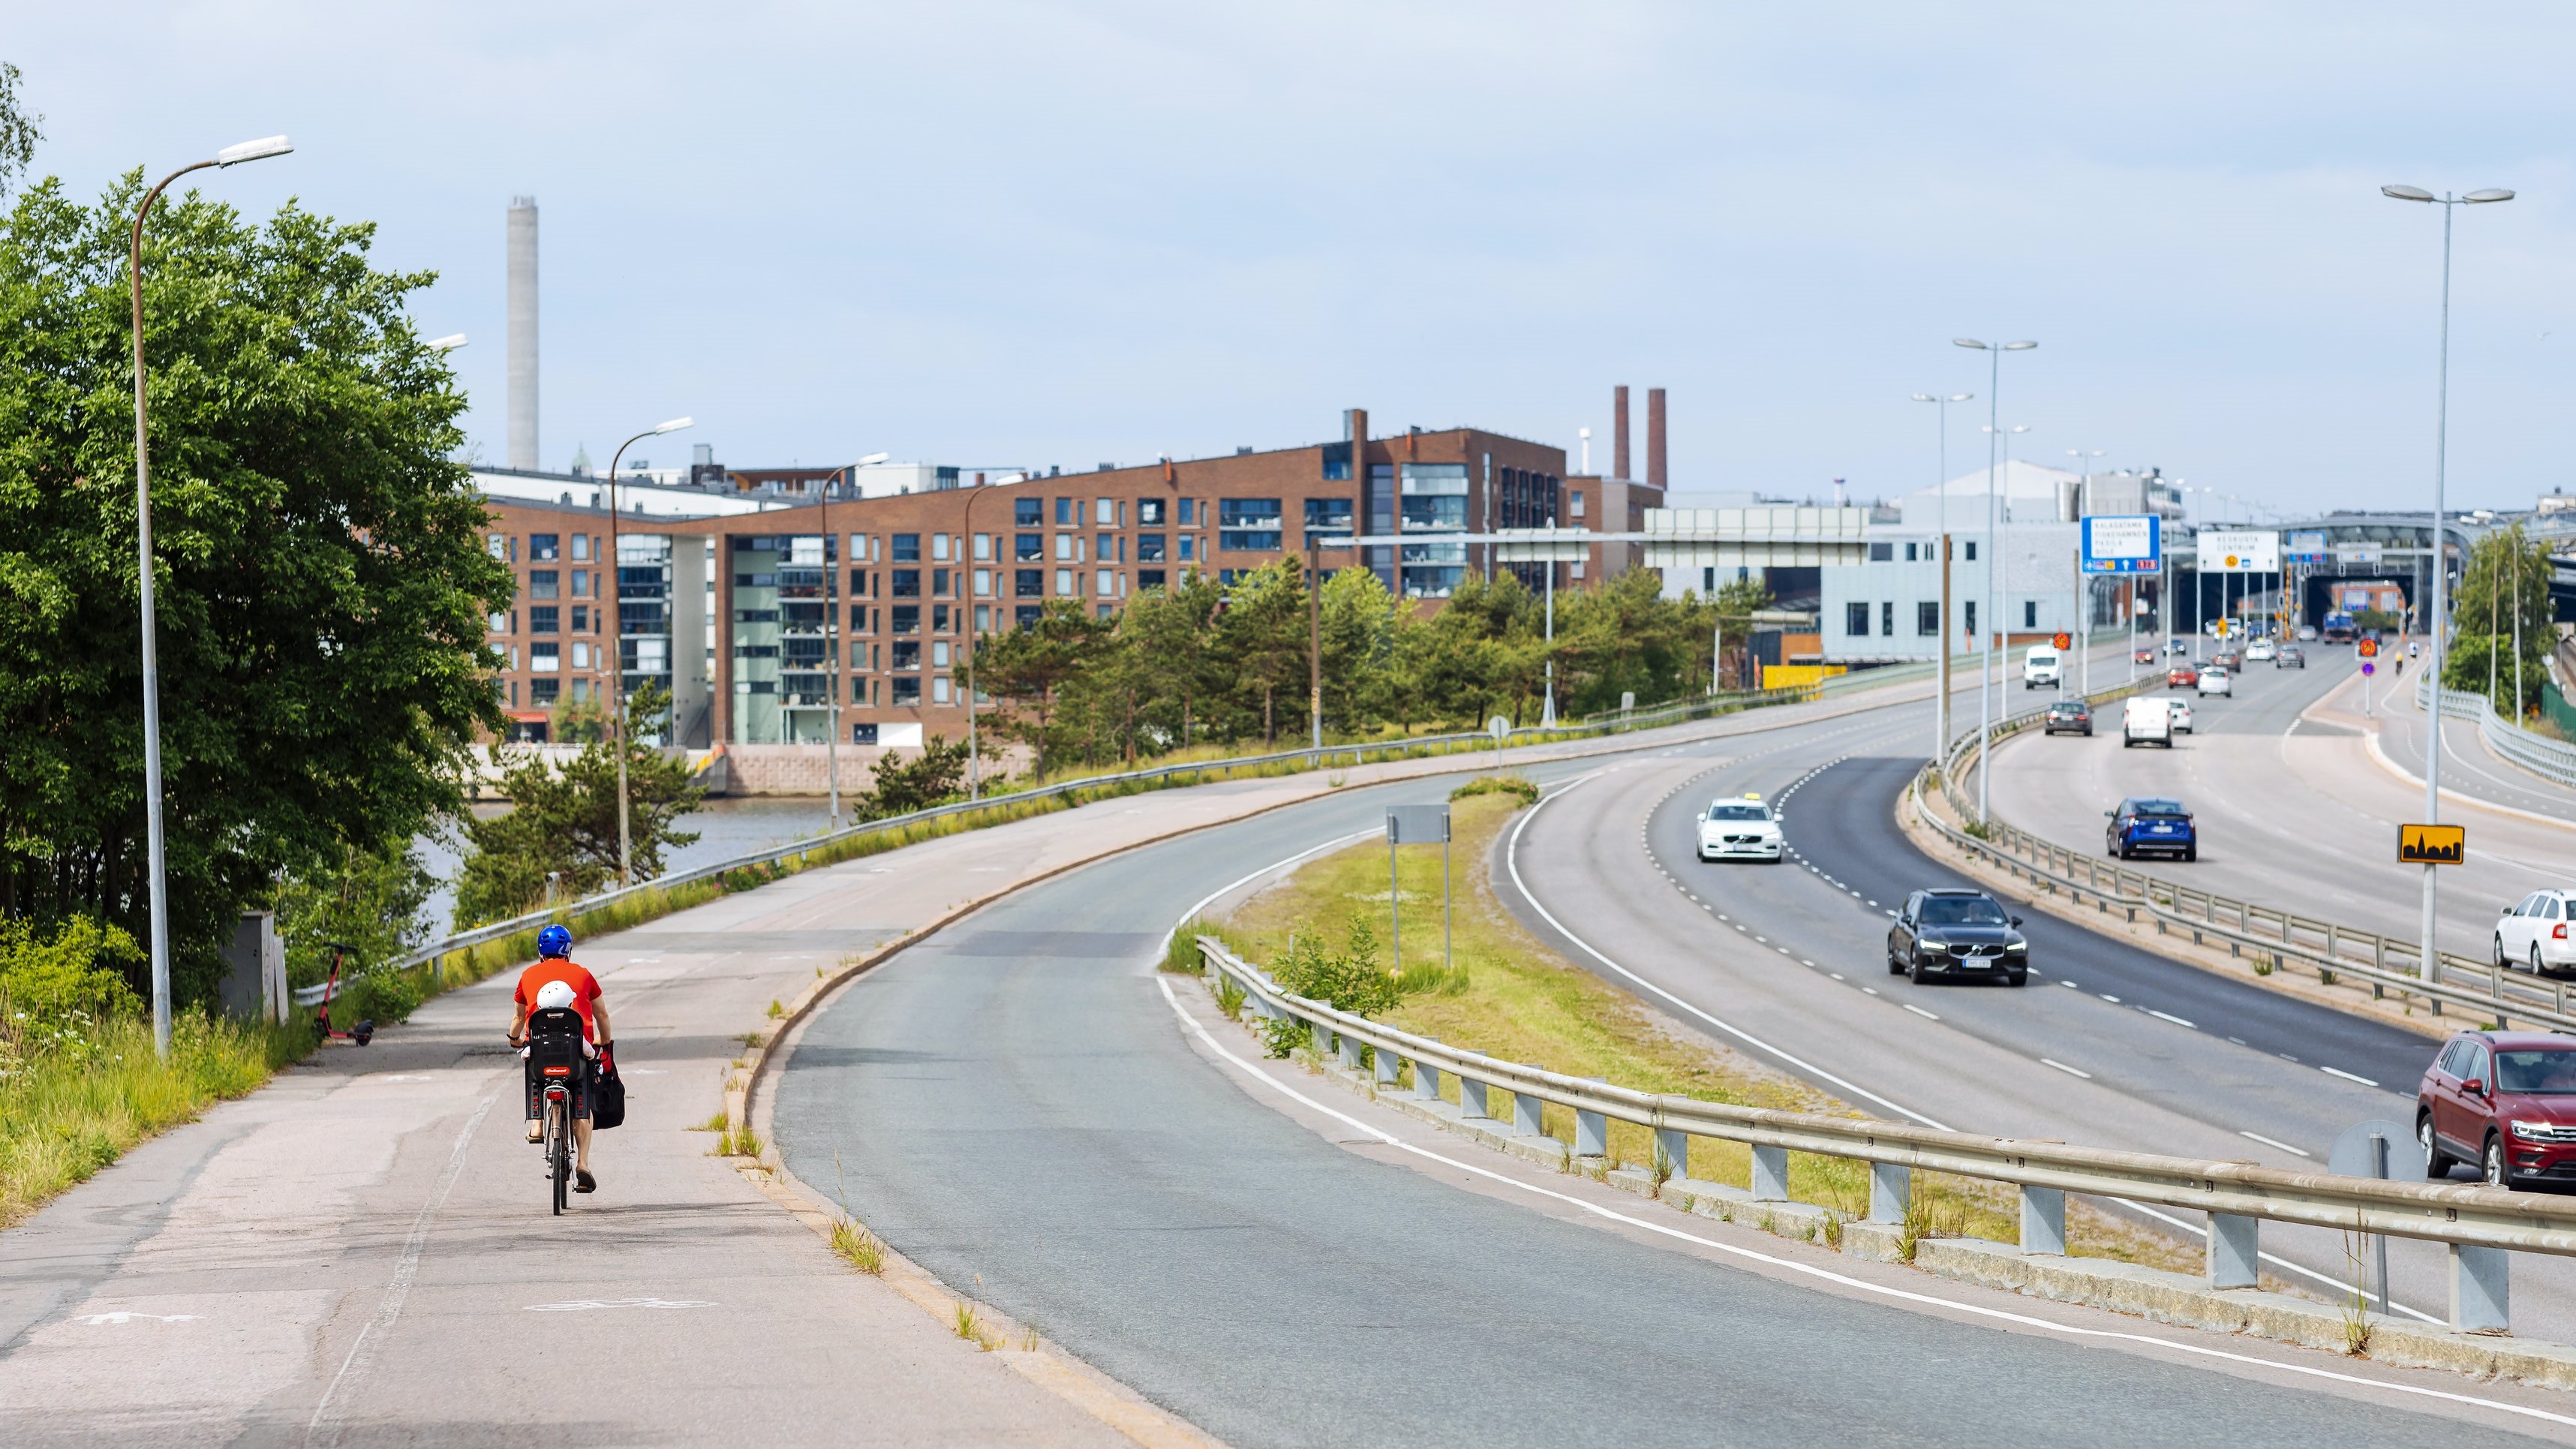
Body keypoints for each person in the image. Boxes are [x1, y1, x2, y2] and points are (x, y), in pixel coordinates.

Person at [508, 924, 612, 1192]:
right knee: (582, 1101)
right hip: (578, 1053)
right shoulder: (583, 975)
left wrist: (513, 1039)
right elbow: (602, 1015)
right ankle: (583, 1165)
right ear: (569, 951)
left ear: (541, 953)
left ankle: (537, 1123)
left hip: (541, 1053)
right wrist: (605, 1041)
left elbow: (520, 1017)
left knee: (533, 1065)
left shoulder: (528, 975)